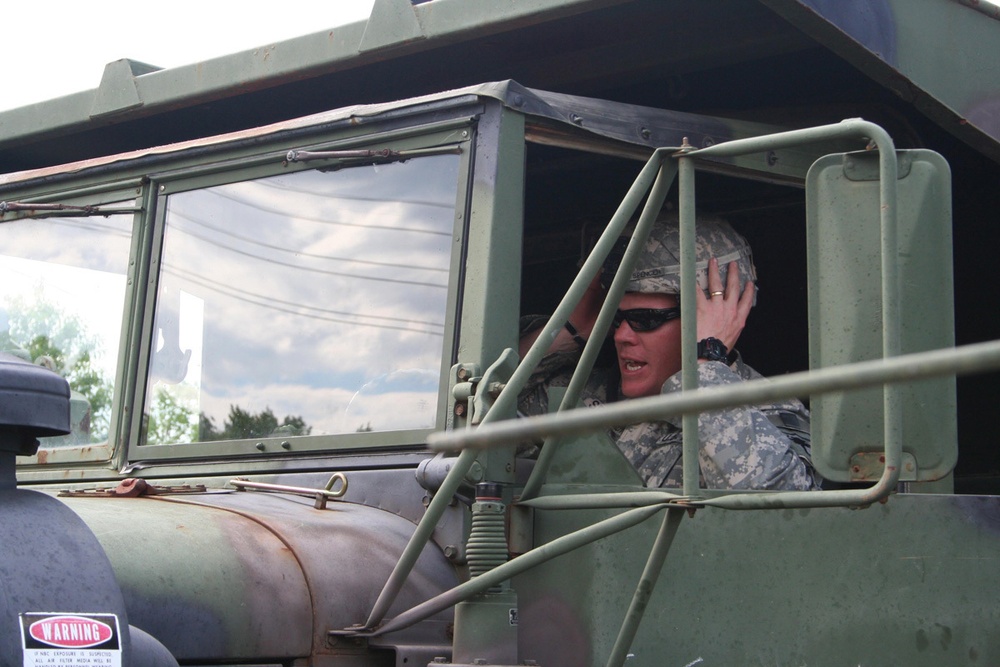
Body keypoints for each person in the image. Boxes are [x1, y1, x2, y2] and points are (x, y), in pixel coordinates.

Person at [518, 213, 821, 491]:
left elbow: (785, 512)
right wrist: (572, 330)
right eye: (616, 318)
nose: (621, 335)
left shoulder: (767, 411)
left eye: (645, 320)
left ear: (710, 316)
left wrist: (706, 369)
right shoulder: (580, 399)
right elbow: (486, 422)